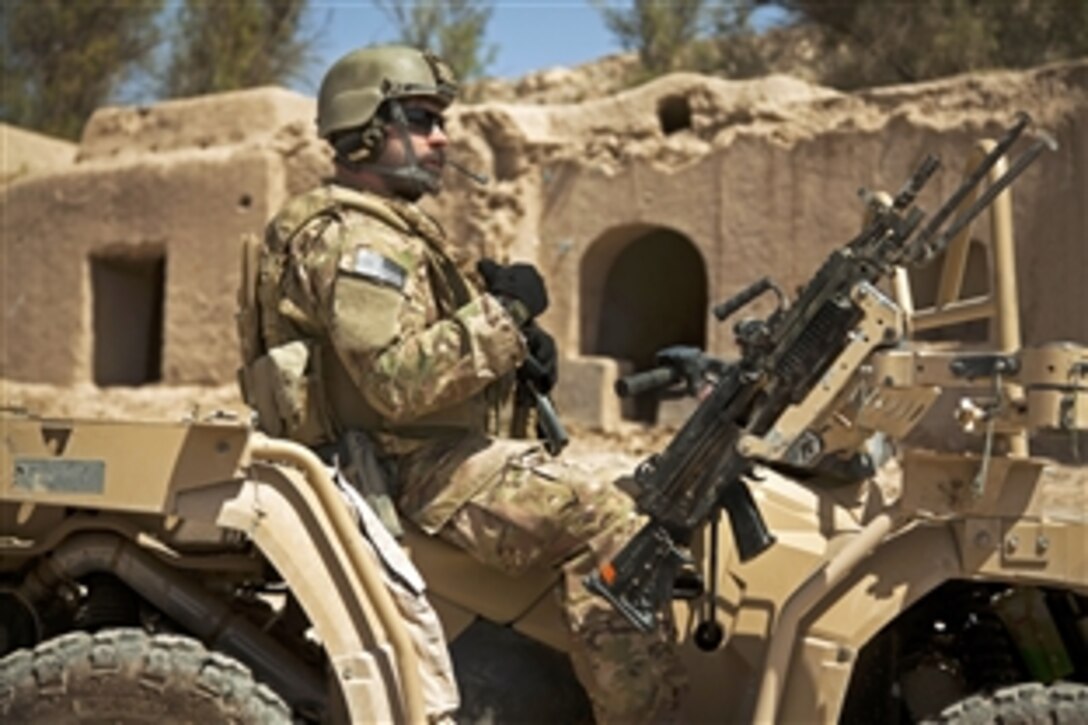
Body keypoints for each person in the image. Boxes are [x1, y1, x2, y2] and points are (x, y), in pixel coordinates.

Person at [241, 44, 685, 723]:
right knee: (609, 523)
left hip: (416, 453)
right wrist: (503, 316)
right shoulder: (358, 242)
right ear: (366, 127)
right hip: (400, 465)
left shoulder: (387, 230)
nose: (442, 136)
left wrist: (518, 352)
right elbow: (394, 382)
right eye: (420, 119)